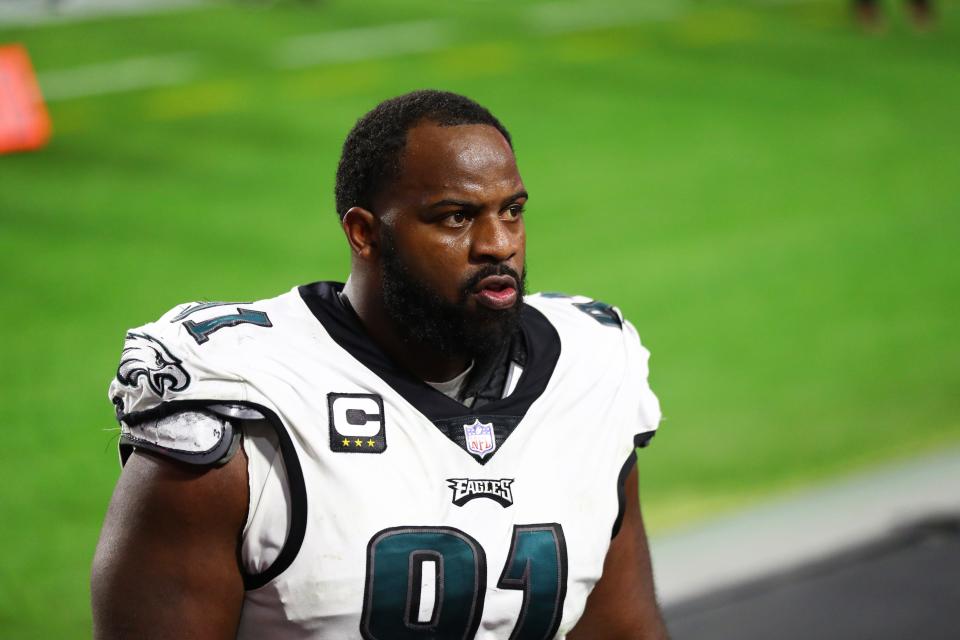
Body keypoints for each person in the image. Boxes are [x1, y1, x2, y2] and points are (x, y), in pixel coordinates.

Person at [91, 90, 668, 639]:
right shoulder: (245, 400)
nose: (498, 243)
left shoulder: (590, 369)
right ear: (364, 233)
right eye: (455, 217)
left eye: (512, 210)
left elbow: (622, 630)